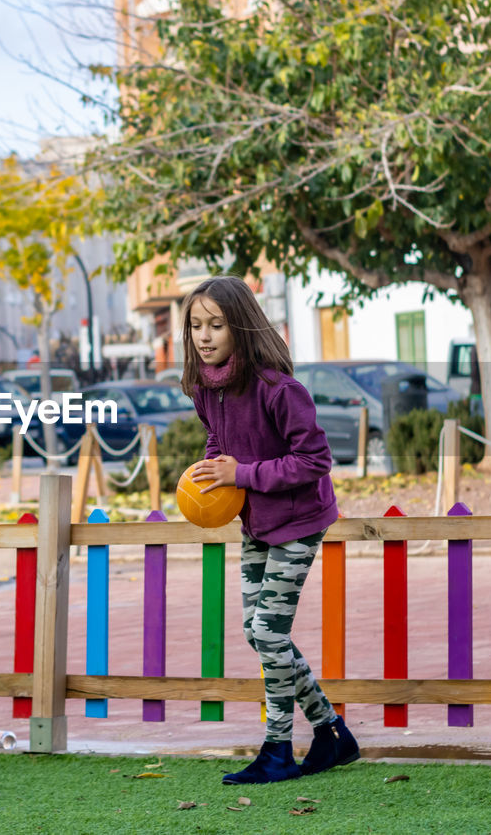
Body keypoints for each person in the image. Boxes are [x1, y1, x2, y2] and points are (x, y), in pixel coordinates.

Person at [183, 275, 359, 785]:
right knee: (256, 632)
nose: (204, 335)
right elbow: (222, 444)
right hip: (256, 522)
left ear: (240, 325)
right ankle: (331, 734)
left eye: (216, 324)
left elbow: (315, 460)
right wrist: (211, 475)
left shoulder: (280, 389)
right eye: (196, 325)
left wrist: (240, 473)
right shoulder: (204, 389)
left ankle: (278, 748)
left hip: (299, 522)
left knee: (266, 631)